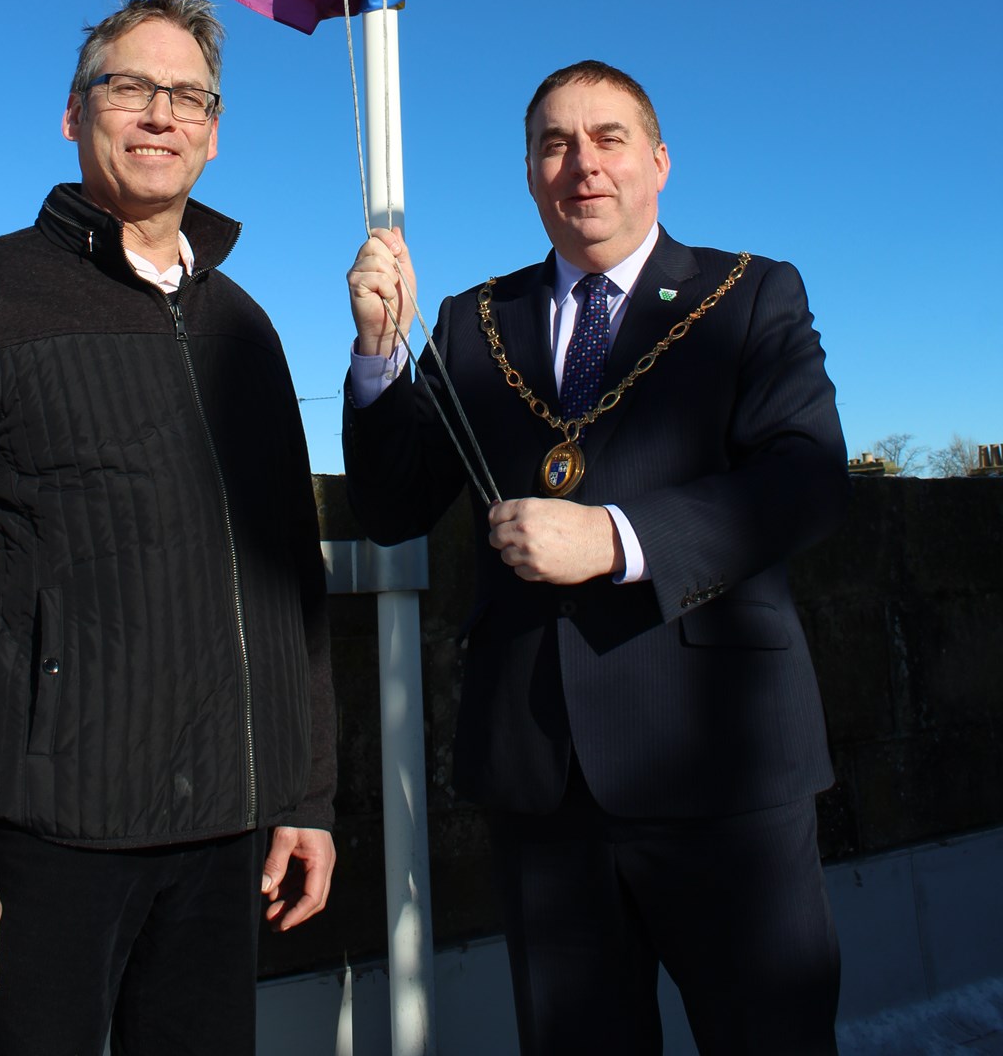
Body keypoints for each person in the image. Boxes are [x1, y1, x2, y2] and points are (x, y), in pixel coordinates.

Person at [0, 0, 335, 1055]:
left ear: (213, 136)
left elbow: (286, 576)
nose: (161, 114)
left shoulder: (246, 327)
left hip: (225, 842)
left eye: (190, 97)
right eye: (130, 87)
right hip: (42, 850)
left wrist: (307, 792)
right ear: (74, 114)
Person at [344, 60, 849, 1056]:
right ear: (530, 174)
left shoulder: (751, 296)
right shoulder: (470, 323)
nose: (583, 164)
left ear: (658, 162)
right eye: (554, 144)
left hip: (722, 772)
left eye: (609, 138)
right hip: (544, 779)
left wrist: (618, 541)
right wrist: (376, 355)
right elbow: (396, 507)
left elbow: (806, 479)